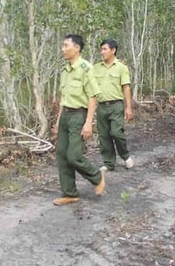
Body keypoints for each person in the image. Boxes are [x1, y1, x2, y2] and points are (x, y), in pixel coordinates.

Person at [51, 34, 105, 206]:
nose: (62, 49)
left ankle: (96, 177)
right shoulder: (65, 69)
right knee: (61, 155)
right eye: (62, 45)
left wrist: (89, 122)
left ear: (77, 48)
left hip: (78, 116)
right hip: (66, 115)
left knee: (73, 155)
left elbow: (92, 97)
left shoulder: (85, 68)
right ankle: (70, 193)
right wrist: (59, 120)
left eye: (66, 45)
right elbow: (63, 97)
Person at [93, 39, 134, 171]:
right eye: (101, 49)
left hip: (116, 105)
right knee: (104, 135)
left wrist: (128, 108)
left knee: (116, 132)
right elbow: (91, 89)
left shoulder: (121, 67)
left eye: (105, 49)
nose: (102, 52)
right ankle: (109, 163)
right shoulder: (96, 68)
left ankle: (125, 156)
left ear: (113, 50)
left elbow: (126, 88)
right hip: (101, 106)